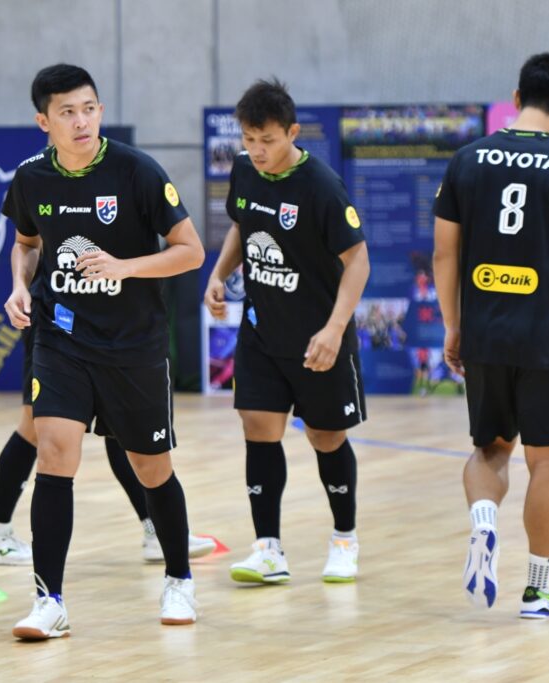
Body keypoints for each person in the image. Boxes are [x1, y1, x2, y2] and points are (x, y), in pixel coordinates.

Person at [2, 63, 205, 639]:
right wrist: (19, 284)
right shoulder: (31, 178)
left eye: (89, 108)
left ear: (101, 111)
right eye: (67, 112)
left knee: (150, 467)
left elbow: (190, 251)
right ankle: (49, 601)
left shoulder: (137, 171)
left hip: (134, 345)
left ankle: (179, 578)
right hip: (61, 337)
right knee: (54, 452)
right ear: (44, 121)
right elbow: (26, 243)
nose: (81, 121)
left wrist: (125, 267)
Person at [433, 52, 549, 618]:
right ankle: (539, 589)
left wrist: (454, 325)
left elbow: (444, 253)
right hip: (547, 339)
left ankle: (484, 520)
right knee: (547, 464)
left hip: (486, 334)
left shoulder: (467, 160)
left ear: (515, 98)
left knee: (490, 449)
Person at [204, 79, 370, 586]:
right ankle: (268, 548)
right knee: (257, 426)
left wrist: (334, 330)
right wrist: (219, 273)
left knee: (326, 436)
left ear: (292, 133)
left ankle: (344, 539)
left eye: (267, 140)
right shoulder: (244, 170)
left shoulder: (321, 186)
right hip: (261, 331)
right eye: (249, 139)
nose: (257, 150)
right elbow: (241, 225)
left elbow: (358, 261)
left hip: (318, 337)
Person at [0, 261, 215, 565]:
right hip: (58, 319)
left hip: (106, 317)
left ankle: (155, 529)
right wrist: (21, 286)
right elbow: (27, 242)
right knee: (34, 425)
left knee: (121, 427)